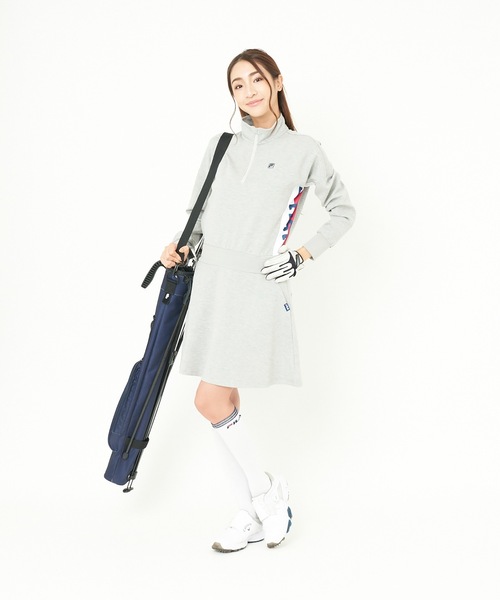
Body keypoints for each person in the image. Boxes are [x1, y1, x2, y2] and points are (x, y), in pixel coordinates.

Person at [160, 48, 355, 552]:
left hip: (257, 286)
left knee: (208, 400)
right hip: (212, 283)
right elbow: (197, 216)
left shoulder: (304, 149)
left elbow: (343, 211)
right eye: (237, 85)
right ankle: (253, 509)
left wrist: (301, 255)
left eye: (256, 79)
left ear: (277, 82)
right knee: (223, 402)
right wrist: (178, 247)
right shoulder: (221, 145)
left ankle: (267, 496)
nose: (248, 91)